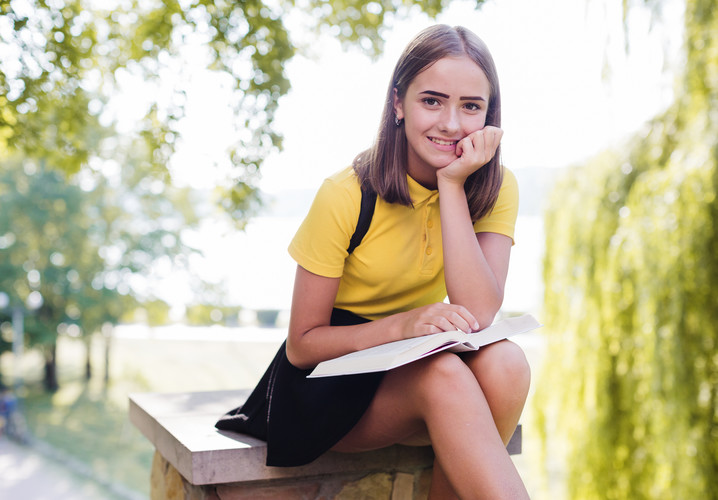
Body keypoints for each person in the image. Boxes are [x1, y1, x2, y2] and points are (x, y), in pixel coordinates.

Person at [217, 24, 531, 499]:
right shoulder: (345, 194)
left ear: (490, 115)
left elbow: (479, 314)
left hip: (413, 366)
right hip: (329, 383)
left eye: (470, 106)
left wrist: (451, 187)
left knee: (508, 363)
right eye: (432, 100)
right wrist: (404, 326)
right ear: (397, 104)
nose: (450, 123)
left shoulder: (494, 186)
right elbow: (302, 345)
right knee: (443, 374)